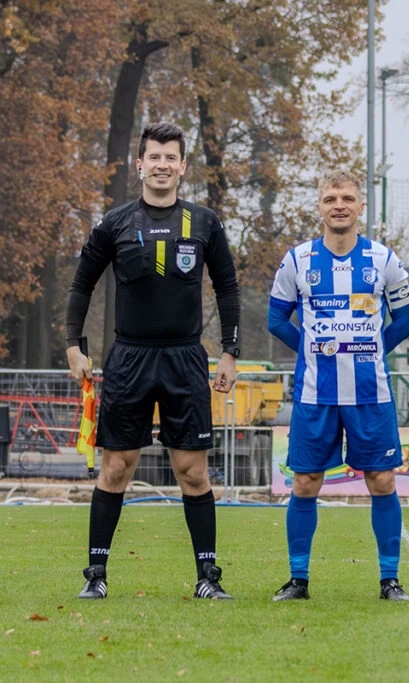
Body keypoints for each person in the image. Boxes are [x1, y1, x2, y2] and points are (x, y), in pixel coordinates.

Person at [65, 122, 240, 600]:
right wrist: (74, 345)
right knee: (116, 467)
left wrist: (230, 351)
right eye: (154, 157)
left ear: (183, 167)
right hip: (129, 358)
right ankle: (96, 576)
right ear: (139, 165)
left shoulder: (204, 222)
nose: (162, 165)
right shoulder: (114, 223)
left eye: (171, 158)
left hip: (185, 358)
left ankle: (207, 578)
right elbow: (82, 284)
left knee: (193, 472)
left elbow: (227, 286)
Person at [267, 170, 409, 602]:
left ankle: (389, 580)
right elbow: (276, 319)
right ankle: (298, 580)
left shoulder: (384, 259)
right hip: (315, 394)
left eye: (347, 198)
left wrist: (372, 350)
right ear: (319, 206)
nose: (339, 205)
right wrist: (311, 350)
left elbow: (405, 320)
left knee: (382, 481)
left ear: (360, 206)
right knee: (305, 482)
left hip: (371, 394)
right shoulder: (297, 260)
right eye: (331, 198)